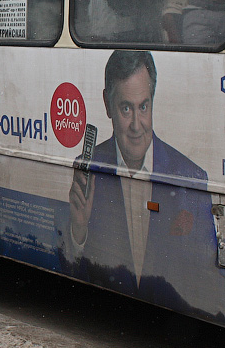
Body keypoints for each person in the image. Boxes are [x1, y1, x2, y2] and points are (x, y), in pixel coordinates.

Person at [67, 50, 214, 303]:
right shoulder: (88, 172)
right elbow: (70, 277)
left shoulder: (191, 179)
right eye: (126, 108)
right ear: (107, 105)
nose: (137, 125)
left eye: (143, 107)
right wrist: (78, 230)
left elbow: (204, 281)